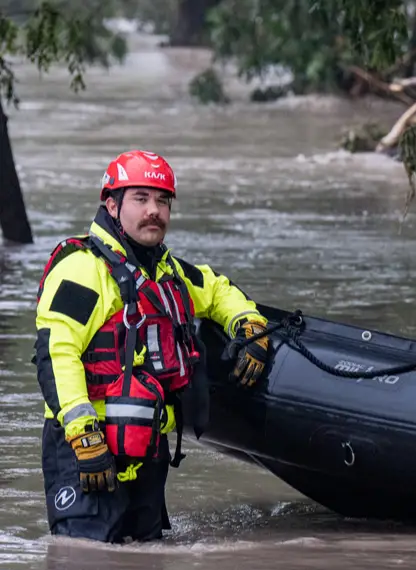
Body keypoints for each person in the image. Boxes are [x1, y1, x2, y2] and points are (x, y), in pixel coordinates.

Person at [33, 150, 272, 544]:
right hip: (86, 446)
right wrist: (84, 436)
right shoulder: (82, 269)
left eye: (163, 201)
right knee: (83, 563)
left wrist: (250, 325)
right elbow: (56, 355)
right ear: (112, 205)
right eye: (141, 198)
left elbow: (217, 290)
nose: (154, 211)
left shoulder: (167, 272)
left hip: (146, 445)